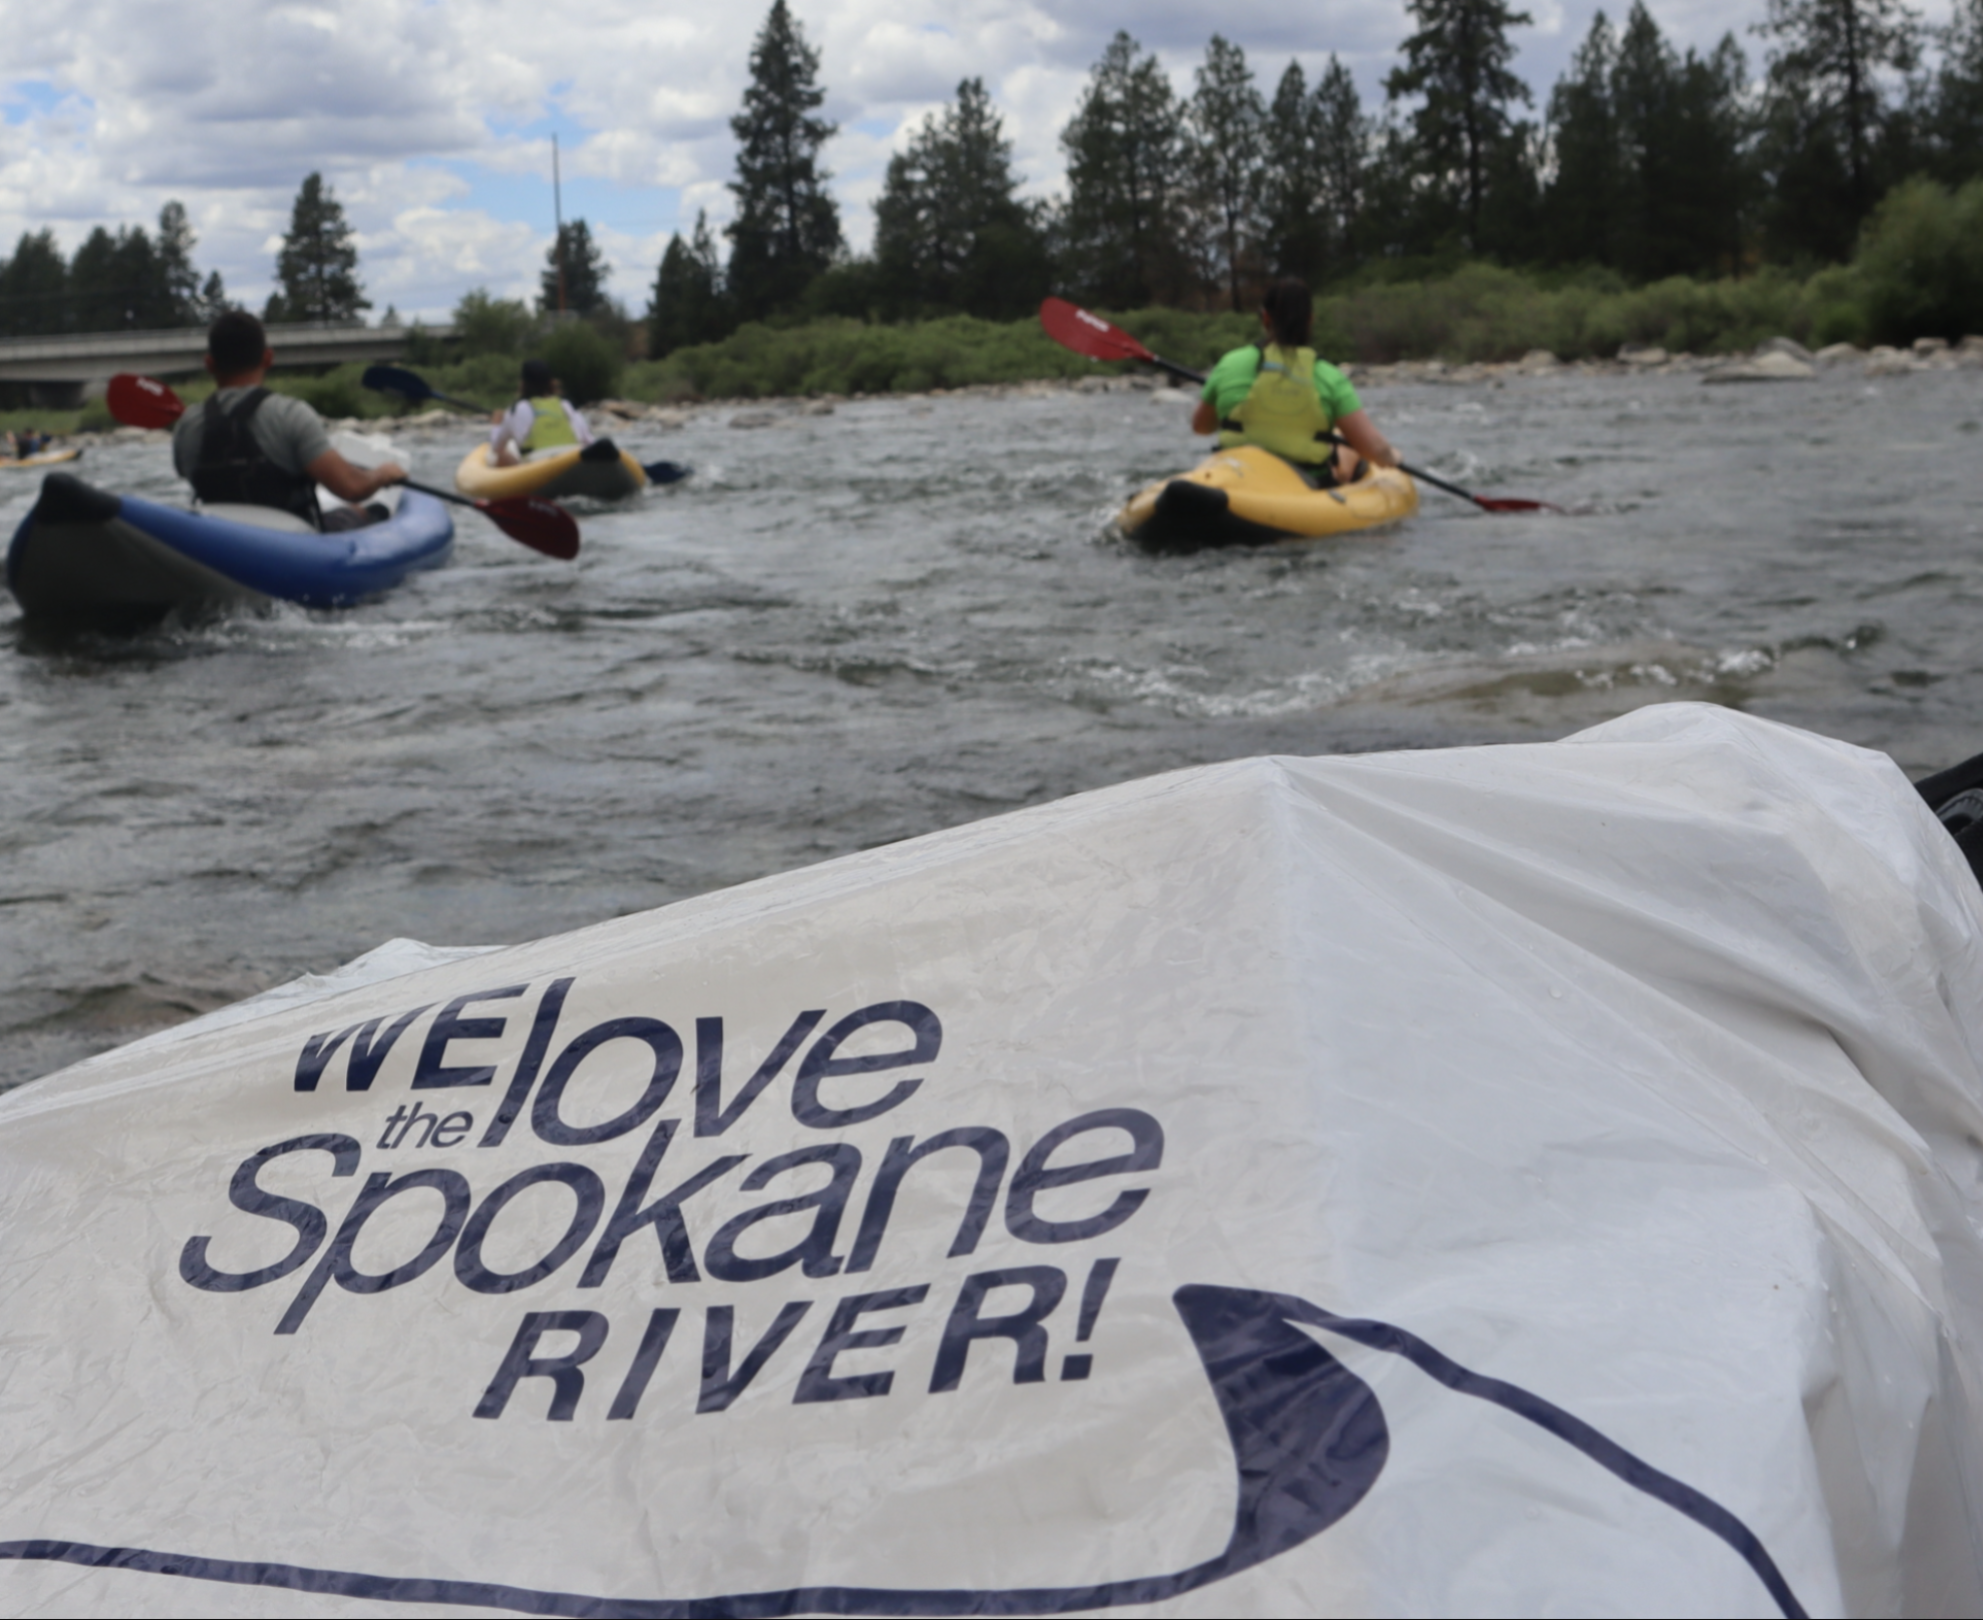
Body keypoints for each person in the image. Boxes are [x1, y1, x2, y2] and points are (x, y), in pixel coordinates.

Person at [170, 310, 405, 531]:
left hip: (214, 539)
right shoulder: (290, 414)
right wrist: (382, 475)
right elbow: (351, 487)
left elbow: (185, 473)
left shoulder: (187, 424)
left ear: (209, 363)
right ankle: (376, 513)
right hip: (291, 541)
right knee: (362, 512)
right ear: (268, 358)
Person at [1190, 278, 1398, 486]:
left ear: (1265, 318)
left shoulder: (1230, 363)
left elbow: (1201, 427)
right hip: (1303, 483)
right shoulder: (1327, 375)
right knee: (1348, 447)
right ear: (1310, 320)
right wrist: (1392, 458)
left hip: (1236, 477)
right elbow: (1374, 448)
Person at [488, 360, 594, 467]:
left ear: (523, 384)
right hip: (573, 458)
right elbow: (589, 442)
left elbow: (497, 448)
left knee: (501, 456)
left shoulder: (515, 409)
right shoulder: (565, 404)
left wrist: (497, 425)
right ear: (551, 382)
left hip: (537, 466)